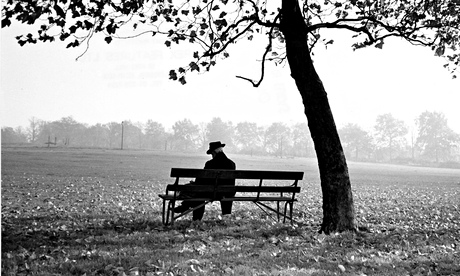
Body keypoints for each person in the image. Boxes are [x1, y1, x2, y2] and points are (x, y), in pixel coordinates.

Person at [174, 141, 236, 220]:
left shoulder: (210, 164)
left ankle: (194, 216)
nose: (212, 156)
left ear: (214, 152)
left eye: (212, 154)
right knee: (201, 190)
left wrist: (194, 183)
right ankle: (226, 215)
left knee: (199, 191)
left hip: (211, 192)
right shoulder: (231, 164)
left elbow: (201, 180)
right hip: (227, 192)